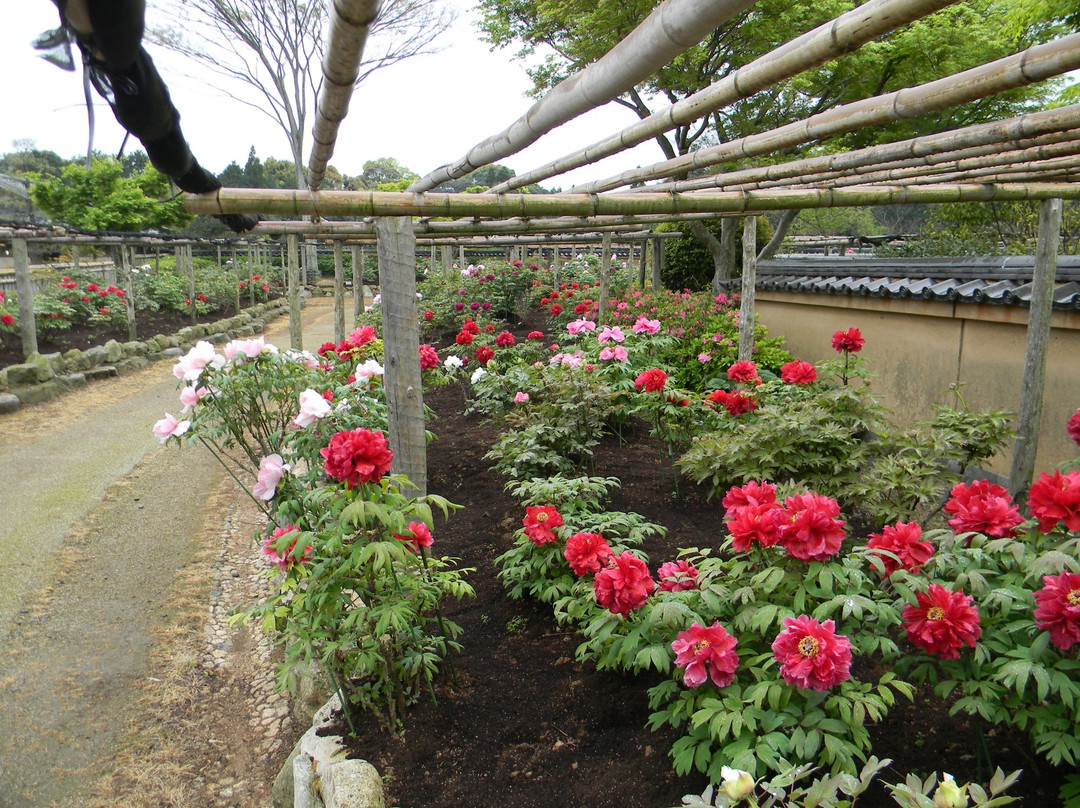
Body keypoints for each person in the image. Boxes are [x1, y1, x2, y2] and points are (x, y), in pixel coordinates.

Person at [38, 0, 257, 233]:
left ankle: (236, 216)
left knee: (175, 156)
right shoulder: (143, 100)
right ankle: (235, 215)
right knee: (175, 157)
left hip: (154, 123)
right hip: (154, 126)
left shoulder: (138, 87)